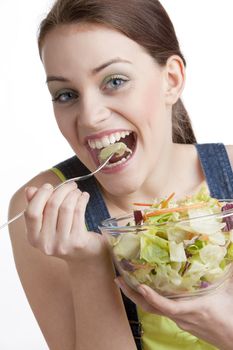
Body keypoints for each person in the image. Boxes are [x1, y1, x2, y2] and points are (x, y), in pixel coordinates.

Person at [8, 0, 233, 349]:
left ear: (171, 80)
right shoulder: (41, 210)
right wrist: (88, 265)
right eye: (66, 94)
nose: (90, 117)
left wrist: (222, 326)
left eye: (114, 80)